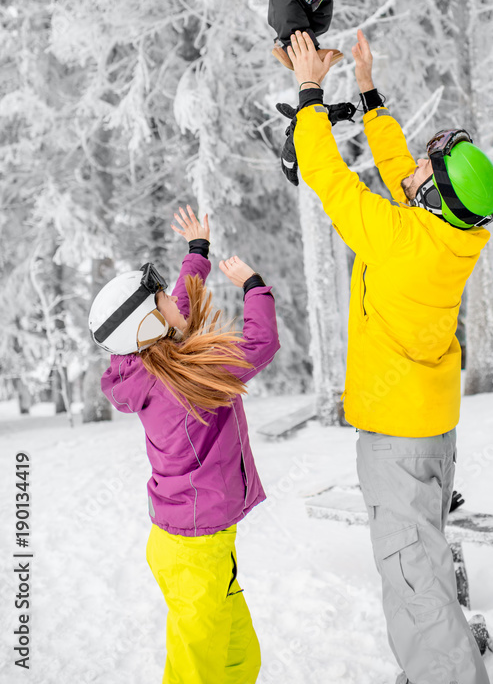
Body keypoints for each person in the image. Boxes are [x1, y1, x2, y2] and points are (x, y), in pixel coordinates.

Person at [285, 30, 493, 684]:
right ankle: (439, 661)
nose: (408, 169)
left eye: (420, 174)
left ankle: (443, 673)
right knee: (423, 563)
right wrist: (369, 92)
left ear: (430, 196)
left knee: (412, 578)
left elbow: (326, 176)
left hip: (397, 441)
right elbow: (397, 168)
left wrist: (308, 92)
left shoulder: (400, 238)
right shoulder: (446, 235)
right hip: (431, 430)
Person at [89, 205, 279, 684]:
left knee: (239, 661)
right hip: (195, 549)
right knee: (196, 674)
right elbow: (259, 345)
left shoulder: (153, 362)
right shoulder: (188, 379)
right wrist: (254, 285)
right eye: (163, 302)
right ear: (150, 326)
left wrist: (197, 254)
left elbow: (181, 308)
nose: (177, 302)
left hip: (199, 541)